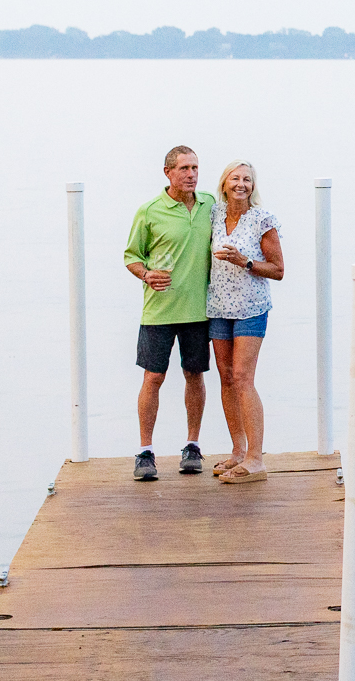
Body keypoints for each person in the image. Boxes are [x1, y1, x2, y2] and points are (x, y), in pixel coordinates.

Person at [123, 145, 215, 481]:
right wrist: (146, 274)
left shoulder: (209, 205)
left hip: (198, 311)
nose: (191, 175)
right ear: (168, 173)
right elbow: (131, 256)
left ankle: (192, 445)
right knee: (154, 378)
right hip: (158, 312)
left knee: (195, 375)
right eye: (184, 169)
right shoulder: (148, 212)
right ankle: (145, 452)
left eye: (195, 168)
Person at [207, 160, 284, 483]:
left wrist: (246, 261)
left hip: (252, 308)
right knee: (225, 378)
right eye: (235, 179)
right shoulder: (214, 215)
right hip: (218, 307)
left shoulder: (262, 219)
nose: (241, 184)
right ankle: (238, 451)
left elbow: (278, 270)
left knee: (242, 377)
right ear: (224, 184)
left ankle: (256, 459)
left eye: (248, 180)